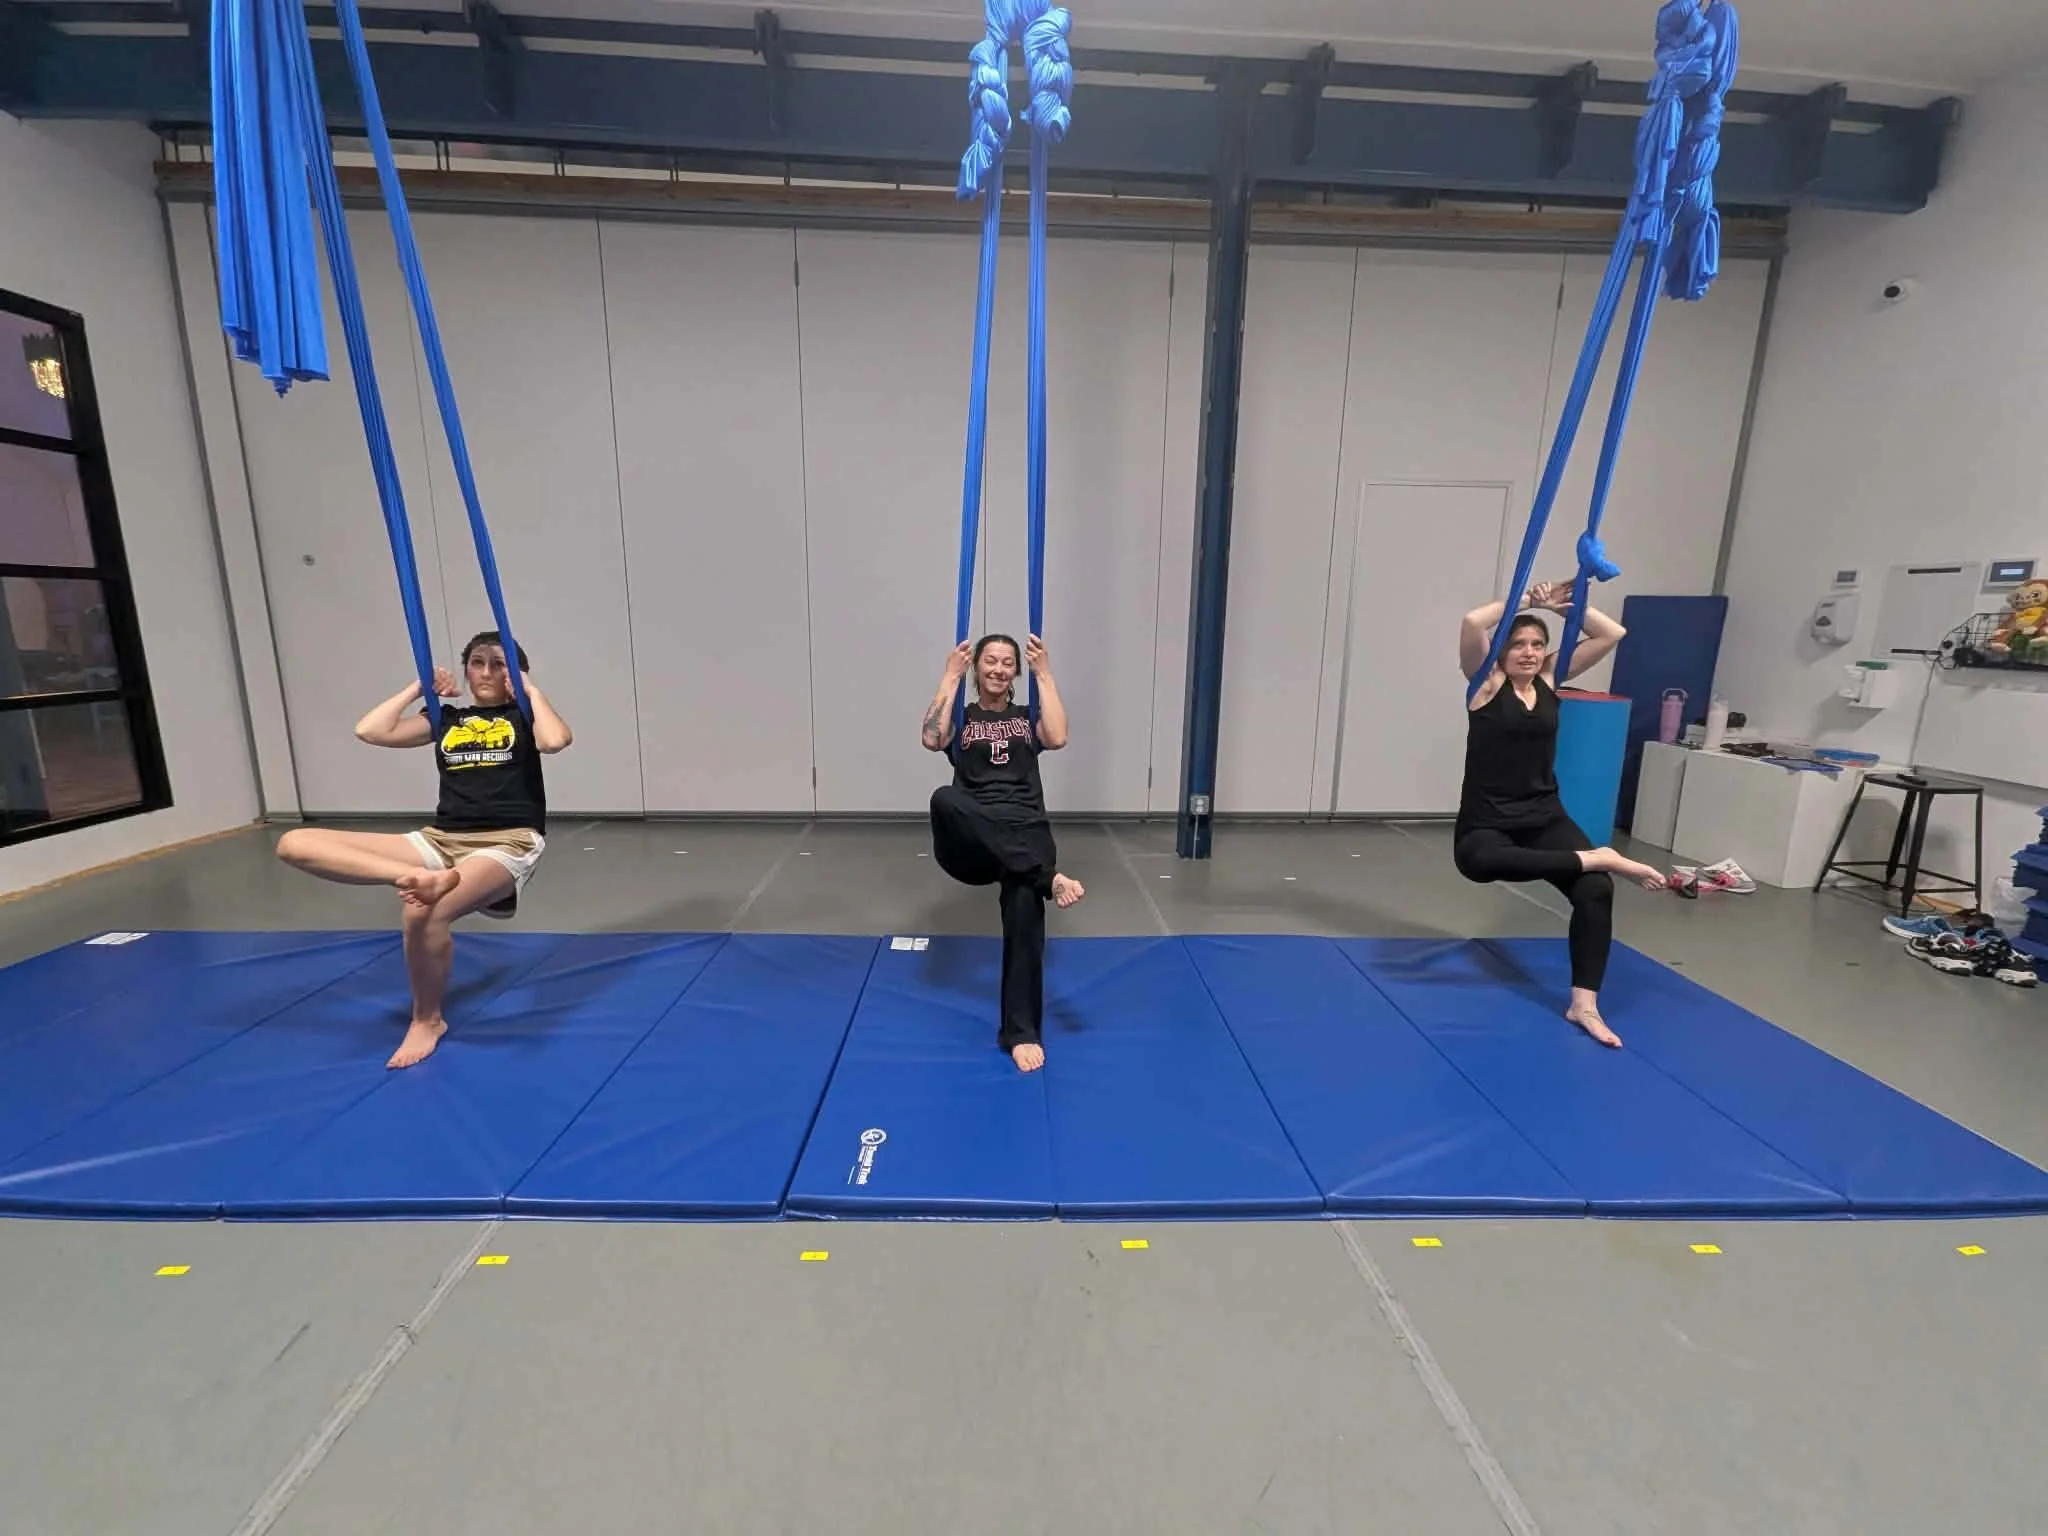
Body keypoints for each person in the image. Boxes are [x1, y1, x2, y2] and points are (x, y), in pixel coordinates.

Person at [274, 631, 572, 1069]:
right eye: (477, 662)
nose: (486, 671)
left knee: (423, 911)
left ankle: (427, 1020)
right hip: (439, 839)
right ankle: (409, 877)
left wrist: (531, 691)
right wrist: (420, 687)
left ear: (516, 673)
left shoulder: (524, 716)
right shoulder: (446, 719)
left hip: (506, 840)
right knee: (293, 843)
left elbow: (554, 741)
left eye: (499, 663)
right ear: (467, 671)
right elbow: (370, 730)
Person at [1456, 582, 1666, 1048]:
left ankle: (1583, 1004)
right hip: (1487, 822)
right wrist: (1526, 603)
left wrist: (1566, 606)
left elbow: (1612, 633)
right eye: (1517, 644)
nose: (1528, 653)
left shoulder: (1550, 681)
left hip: (1544, 815)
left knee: (1595, 890)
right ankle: (1600, 856)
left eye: (1537, 644)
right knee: (1477, 863)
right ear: (1502, 652)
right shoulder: (1486, 684)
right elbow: (1473, 623)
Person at [921, 633, 1085, 1073]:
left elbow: (1059, 736)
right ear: (977, 668)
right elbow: (932, 739)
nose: (997, 668)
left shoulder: (1027, 716)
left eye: (1007, 662)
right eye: (989, 661)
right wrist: (949, 677)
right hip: (972, 842)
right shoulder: (962, 714)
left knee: (1024, 909)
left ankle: (1021, 1032)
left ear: (1016, 671)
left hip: (1025, 834)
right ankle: (1045, 876)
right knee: (944, 797)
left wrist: (1044, 673)